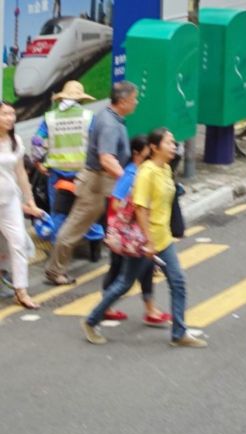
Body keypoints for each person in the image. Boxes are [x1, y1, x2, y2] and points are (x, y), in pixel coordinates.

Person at [81, 128, 207, 348]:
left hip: (163, 238)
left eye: (173, 142)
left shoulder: (166, 169)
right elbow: (140, 208)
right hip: (145, 240)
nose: (173, 146)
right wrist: (148, 241)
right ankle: (92, 321)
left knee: (178, 281)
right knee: (124, 283)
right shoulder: (146, 173)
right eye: (169, 143)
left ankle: (179, 333)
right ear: (155, 148)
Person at [45, 81, 139, 286]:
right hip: (98, 180)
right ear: (122, 101)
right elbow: (106, 158)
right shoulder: (109, 123)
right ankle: (54, 270)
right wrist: (129, 182)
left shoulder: (109, 118)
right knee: (75, 227)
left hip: (99, 178)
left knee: (131, 218)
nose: (136, 103)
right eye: (134, 99)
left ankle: (143, 264)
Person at [99, 135, 170, 326]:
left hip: (137, 234)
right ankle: (103, 309)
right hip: (124, 234)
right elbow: (115, 202)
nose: (152, 152)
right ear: (138, 153)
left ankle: (150, 309)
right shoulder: (130, 174)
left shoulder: (145, 171)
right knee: (117, 270)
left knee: (145, 270)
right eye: (148, 149)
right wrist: (131, 213)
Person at [0, 101, 43, 309]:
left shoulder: (15, 140)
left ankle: (21, 291)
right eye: (4, 114)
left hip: (9, 202)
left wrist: (30, 201)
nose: (10, 118)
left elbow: (21, 174)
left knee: (17, 243)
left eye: (12, 114)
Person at [31, 81, 94, 220]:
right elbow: (95, 145)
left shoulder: (50, 117)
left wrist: (38, 163)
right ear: (81, 99)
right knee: (82, 213)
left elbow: (36, 141)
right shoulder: (89, 117)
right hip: (81, 173)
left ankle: (57, 240)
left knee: (58, 211)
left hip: (56, 172)